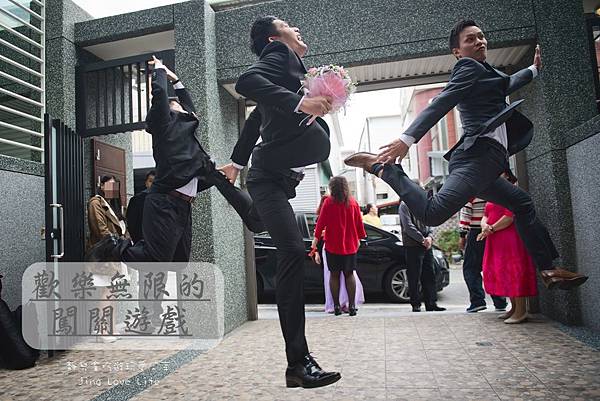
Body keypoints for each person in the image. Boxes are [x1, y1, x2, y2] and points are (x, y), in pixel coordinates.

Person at [344, 19, 587, 290]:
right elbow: (444, 100)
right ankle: (383, 169)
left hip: (489, 163)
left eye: (481, 36)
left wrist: (533, 69)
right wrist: (407, 139)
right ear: (457, 52)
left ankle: (549, 268)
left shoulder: (487, 74)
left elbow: (507, 83)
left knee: (522, 204)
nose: (479, 41)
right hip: (478, 158)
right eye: (470, 39)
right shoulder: (467, 67)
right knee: (432, 214)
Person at [218, 16, 340, 388]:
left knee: (257, 222)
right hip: (269, 177)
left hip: (273, 179)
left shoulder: (288, 68)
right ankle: (298, 364)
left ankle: (216, 178)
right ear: (274, 37)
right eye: (289, 24)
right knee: (290, 252)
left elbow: (256, 118)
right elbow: (246, 83)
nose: (297, 28)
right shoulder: (278, 53)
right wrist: (302, 102)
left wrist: (235, 164)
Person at [86, 56, 263, 264]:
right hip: (165, 202)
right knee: (156, 259)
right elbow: (160, 95)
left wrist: (176, 79)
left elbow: (188, 104)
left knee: (179, 264)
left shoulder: (186, 125)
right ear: (169, 110)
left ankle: (257, 218)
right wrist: (160, 70)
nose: (184, 108)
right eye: (177, 105)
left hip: (184, 205)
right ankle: (114, 246)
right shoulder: (164, 125)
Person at [478, 171, 537, 324]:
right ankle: (513, 308)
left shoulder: (512, 190)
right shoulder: (494, 191)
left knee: (514, 271)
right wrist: (485, 225)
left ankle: (521, 310)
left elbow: (509, 217)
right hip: (495, 238)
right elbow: (485, 213)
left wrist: (490, 228)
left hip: (510, 238)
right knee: (504, 272)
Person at [311, 177, 366, 316]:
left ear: (332, 188)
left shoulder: (328, 203)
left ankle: (336, 306)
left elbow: (320, 223)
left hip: (332, 245)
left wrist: (315, 241)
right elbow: (359, 224)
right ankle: (352, 306)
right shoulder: (353, 203)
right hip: (350, 246)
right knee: (349, 274)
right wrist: (359, 238)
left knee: (334, 275)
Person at [86, 175, 130, 340]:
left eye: (115, 185)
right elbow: (101, 229)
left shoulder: (112, 206)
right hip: (106, 255)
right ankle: (103, 331)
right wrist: (120, 245)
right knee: (107, 291)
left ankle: (110, 328)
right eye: (109, 184)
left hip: (116, 255)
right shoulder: (96, 202)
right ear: (101, 186)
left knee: (113, 292)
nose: (112, 188)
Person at [399, 191, 446, 313]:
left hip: (426, 245)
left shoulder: (424, 204)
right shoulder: (404, 205)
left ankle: (431, 303)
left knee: (429, 273)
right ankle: (416, 304)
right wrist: (422, 239)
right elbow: (408, 226)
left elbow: (430, 222)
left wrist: (430, 237)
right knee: (414, 275)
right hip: (413, 245)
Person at [459, 197, 507, 312]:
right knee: (492, 266)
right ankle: (500, 301)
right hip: (494, 230)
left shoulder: (471, 191)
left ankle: (477, 301)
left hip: (476, 231)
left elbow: (466, 212)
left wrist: (462, 235)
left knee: (470, 268)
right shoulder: (493, 191)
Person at [127, 170, 155, 244]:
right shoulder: (136, 200)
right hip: (141, 241)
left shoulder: (164, 200)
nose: (153, 184)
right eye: (150, 181)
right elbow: (131, 223)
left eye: (155, 182)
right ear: (146, 183)